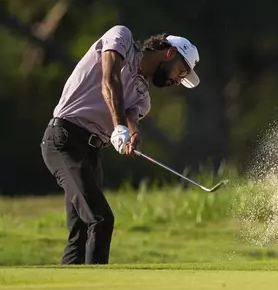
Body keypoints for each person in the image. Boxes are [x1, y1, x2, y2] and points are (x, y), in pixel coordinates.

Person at [40, 25, 200, 265]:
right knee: (101, 219)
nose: (178, 81)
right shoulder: (121, 37)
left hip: (92, 152)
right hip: (64, 139)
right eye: (181, 71)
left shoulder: (143, 96)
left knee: (82, 231)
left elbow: (131, 115)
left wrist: (132, 132)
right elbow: (109, 79)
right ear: (169, 53)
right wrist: (119, 127)